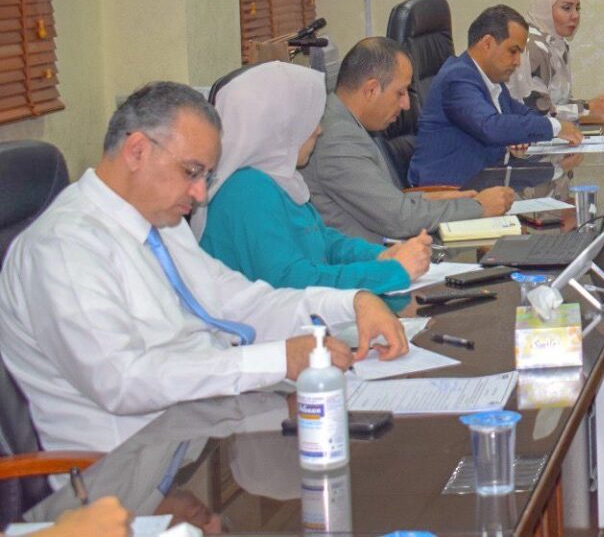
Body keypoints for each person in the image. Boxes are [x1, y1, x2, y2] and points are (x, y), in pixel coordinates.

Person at [0, 82, 406, 454]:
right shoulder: (63, 248)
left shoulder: (162, 224)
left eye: (206, 177)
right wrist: (277, 360)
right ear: (137, 150)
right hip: (122, 477)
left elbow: (242, 303)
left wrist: (351, 303)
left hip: (202, 436)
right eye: (192, 172)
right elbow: (122, 380)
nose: (199, 194)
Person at [199, 61, 433, 294]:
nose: (319, 130)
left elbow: (323, 241)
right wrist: (391, 271)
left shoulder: (280, 178)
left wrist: (381, 255)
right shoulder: (246, 191)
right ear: (282, 125)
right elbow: (294, 282)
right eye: (310, 120)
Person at [303, 38, 518, 242]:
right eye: (401, 92)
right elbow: (399, 218)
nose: (406, 104)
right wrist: (479, 207)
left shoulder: (343, 121)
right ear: (371, 90)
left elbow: (383, 201)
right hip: (369, 260)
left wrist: (432, 199)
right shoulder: (337, 140)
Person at [409, 5, 583, 187]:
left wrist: (522, 136)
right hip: (447, 191)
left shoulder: (491, 79)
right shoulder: (457, 77)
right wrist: (555, 127)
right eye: (513, 51)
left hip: (487, 182)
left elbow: (522, 114)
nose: (517, 62)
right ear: (487, 43)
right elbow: (490, 127)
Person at [508, 0, 604, 117]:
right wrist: (588, 110)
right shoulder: (530, 46)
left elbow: (560, 102)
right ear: (545, 10)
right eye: (567, 8)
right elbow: (536, 111)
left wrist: (589, 105)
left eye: (577, 8)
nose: (575, 15)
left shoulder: (558, 44)